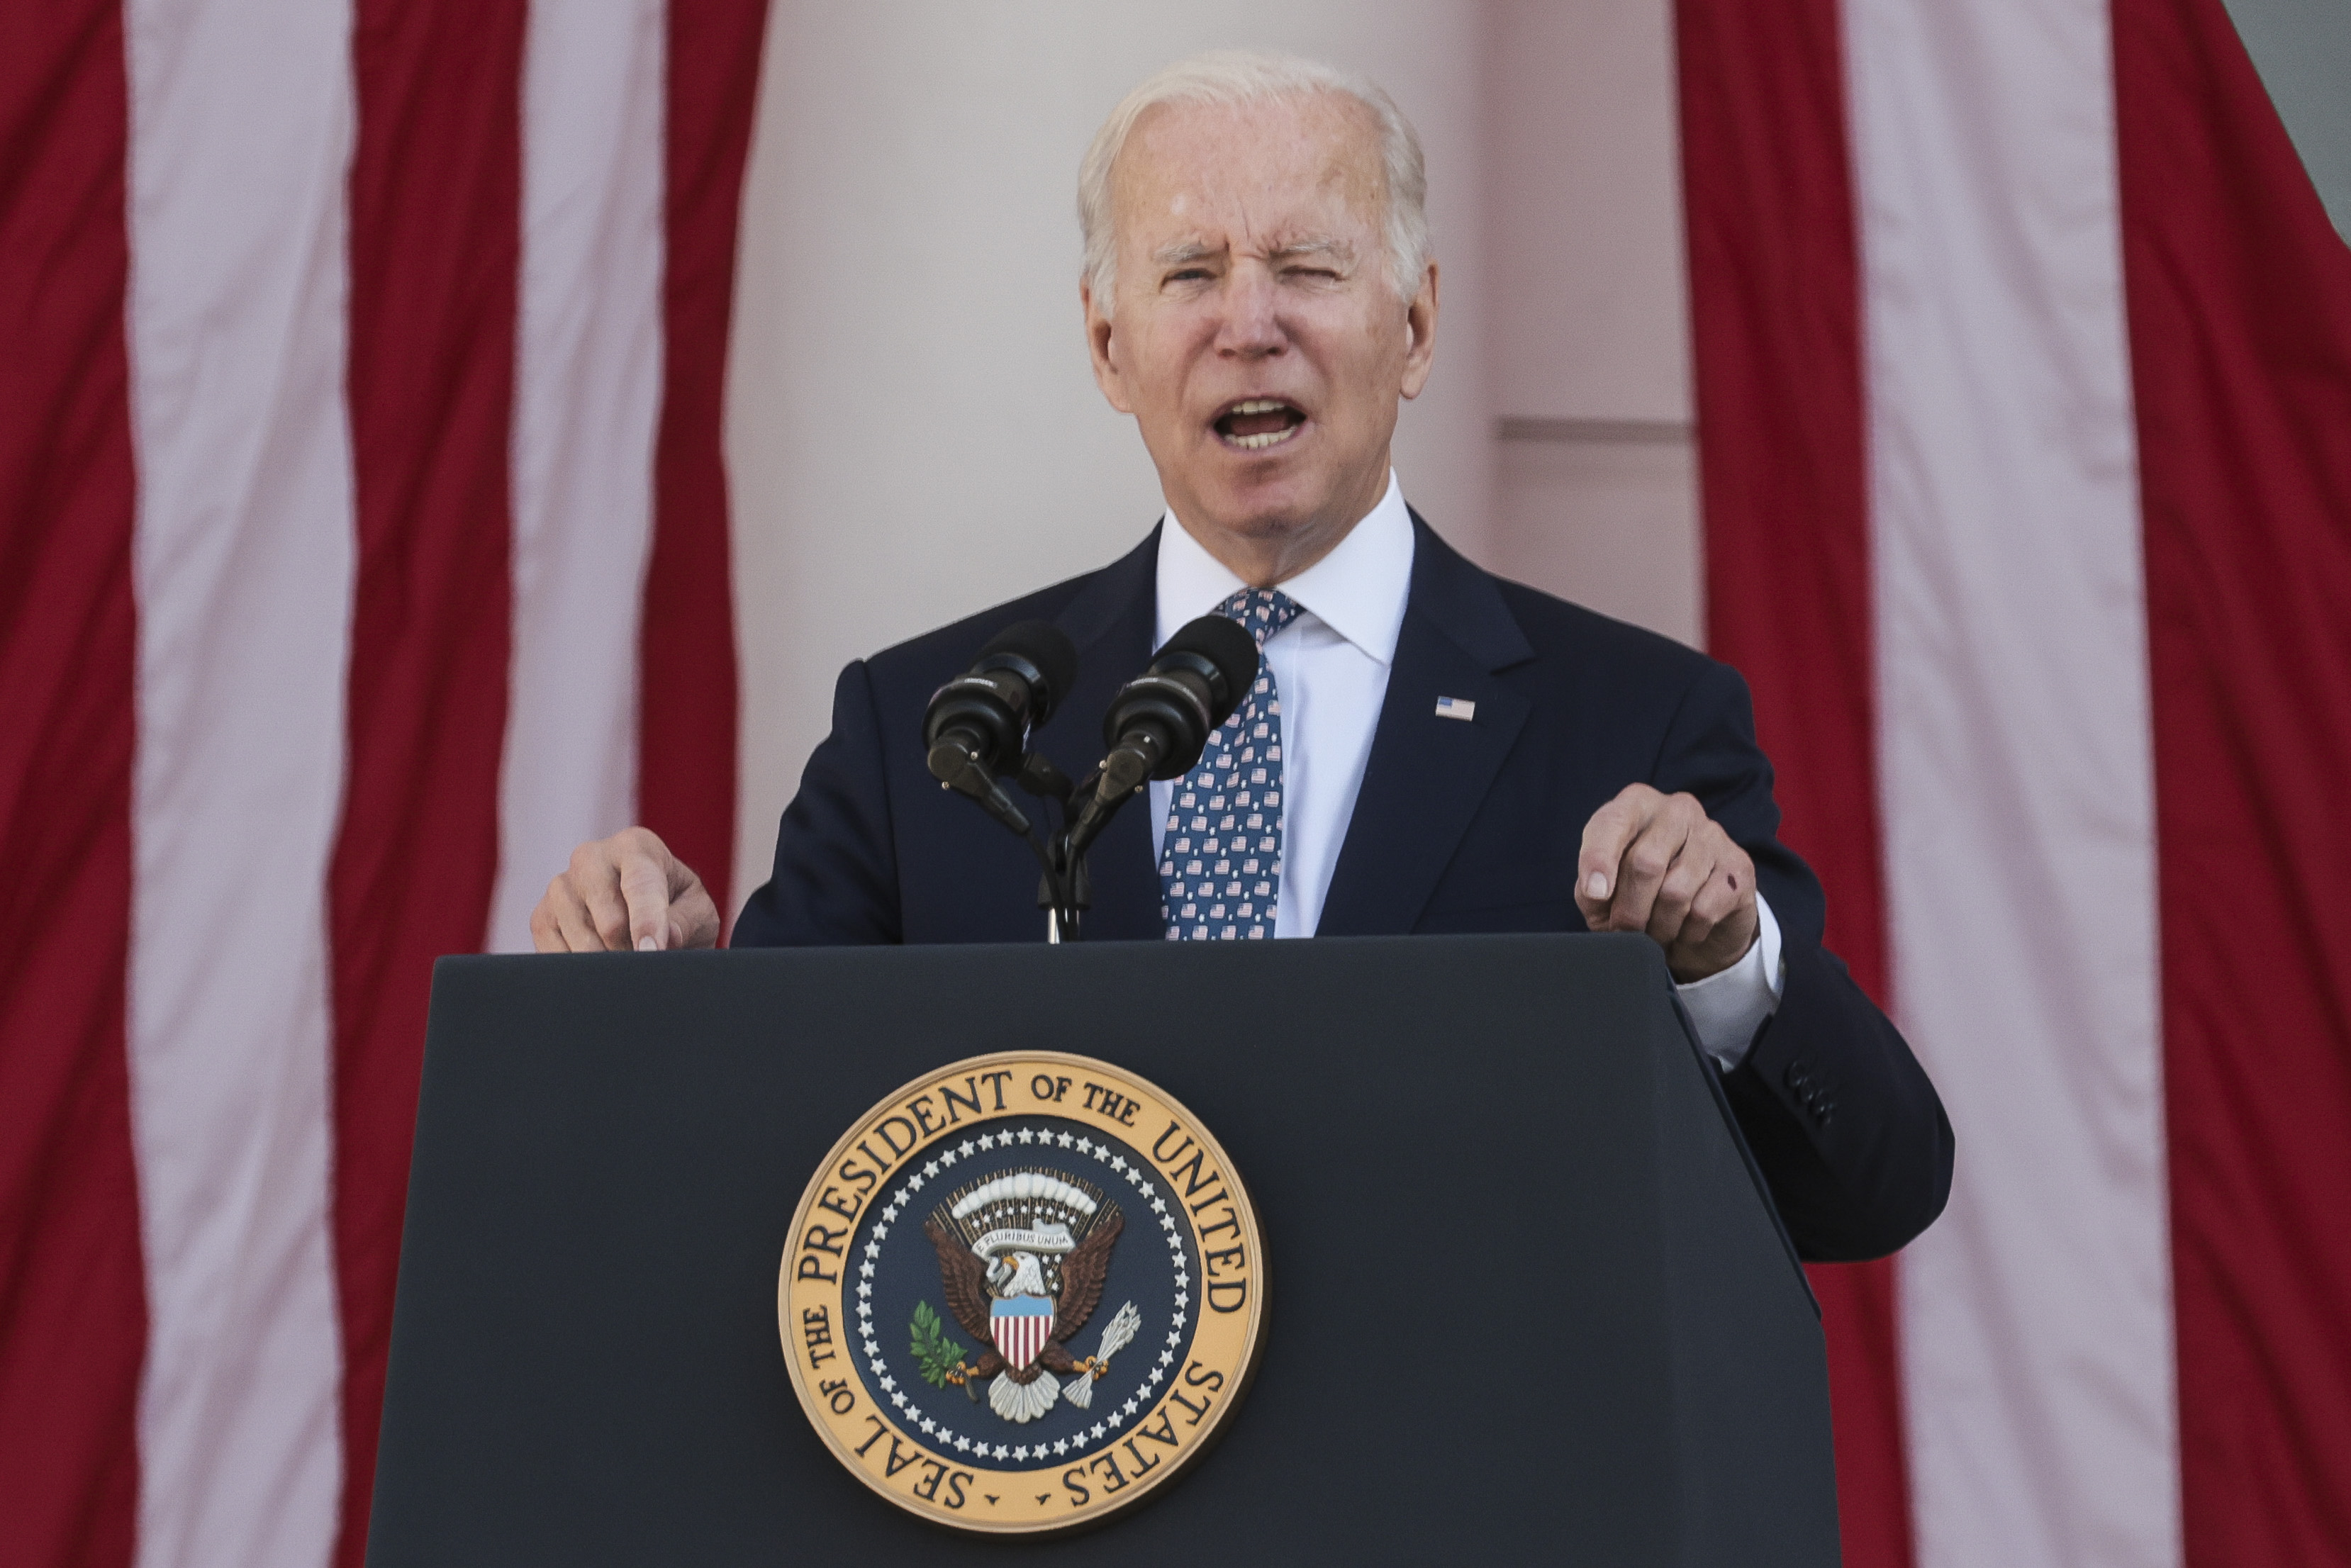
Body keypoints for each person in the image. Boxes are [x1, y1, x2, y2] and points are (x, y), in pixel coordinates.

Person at [532, 51, 1950, 1261]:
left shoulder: (1632, 723)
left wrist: (1725, 963)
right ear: (1107, 341)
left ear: (1416, 323)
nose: (1246, 321)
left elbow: (1869, 1182)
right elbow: (747, 1179)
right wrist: (658, 996)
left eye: (1306, 267)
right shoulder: (931, 732)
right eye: (1189, 271)